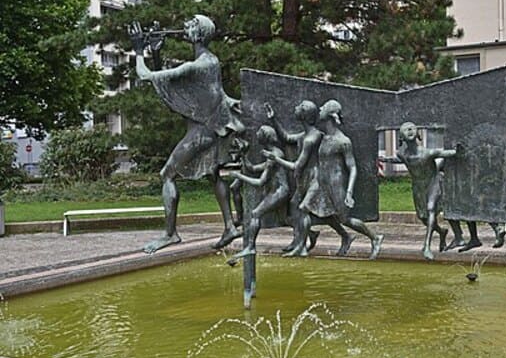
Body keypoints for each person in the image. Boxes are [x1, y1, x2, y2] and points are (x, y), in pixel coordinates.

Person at [130, 15, 245, 253]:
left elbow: (147, 76)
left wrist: (139, 50)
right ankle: (229, 227)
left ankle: (170, 234)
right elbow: (168, 83)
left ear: (199, 33)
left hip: (203, 131)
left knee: (167, 175)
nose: (185, 26)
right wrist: (156, 54)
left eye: (191, 24)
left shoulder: (199, 65)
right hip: (211, 128)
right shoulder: (211, 62)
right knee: (213, 175)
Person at [265, 100, 352, 257]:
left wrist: (275, 158)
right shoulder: (306, 134)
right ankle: (302, 238)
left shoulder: (310, 139)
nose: (296, 108)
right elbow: (286, 137)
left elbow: (296, 166)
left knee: (303, 209)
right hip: (304, 179)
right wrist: (273, 119)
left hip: (315, 180)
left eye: (300, 107)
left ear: (304, 116)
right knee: (303, 208)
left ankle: (301, 246)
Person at [311, 99, 384, 259]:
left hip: (337, 184)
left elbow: (352, 167)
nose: (320, 108)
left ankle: (375, 237)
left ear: (330, 114)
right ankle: (345, 237)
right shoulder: (323, 137)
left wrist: (349, 192)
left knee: (345, 218)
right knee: (323, 214)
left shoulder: (342, 141)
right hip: (322, 183)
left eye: (323, 107)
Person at [380, 122, 463, 260]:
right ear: (401, 137)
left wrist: (457, 151)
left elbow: (443, 153)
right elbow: (400, 160)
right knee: (423, 217)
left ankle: (426, 246)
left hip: (433, 182)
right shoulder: (402, 154)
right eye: (406, 129)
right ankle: (442, 232)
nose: (410, 130)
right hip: (418, 187)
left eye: (412, 128)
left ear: (418, 133)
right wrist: (385, 159)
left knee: (430, 209)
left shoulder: (427, 152)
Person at [226, 125, 291, 264]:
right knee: (284, 220)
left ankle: (250, 247)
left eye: (259, 133)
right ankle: (310, 233)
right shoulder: (272, 153)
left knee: (256, 214)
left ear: (265, 136)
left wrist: (239, 176)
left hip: (279, 191)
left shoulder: (275, 155)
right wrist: (243, 155)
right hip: (278, 191)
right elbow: (254, 168)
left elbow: (260, 182)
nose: (257, 135)